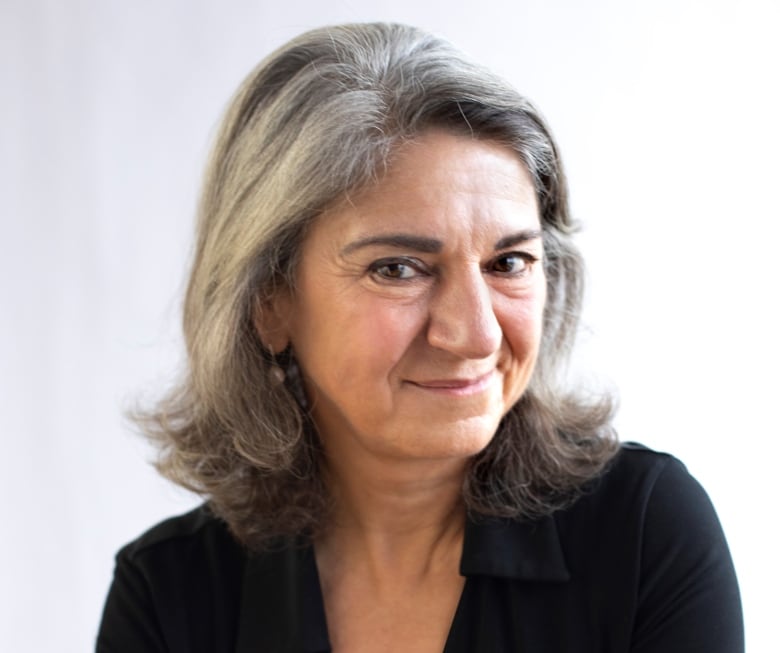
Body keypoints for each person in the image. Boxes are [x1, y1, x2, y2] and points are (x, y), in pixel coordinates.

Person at [96, 22, 743, 652]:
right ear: (269, 301)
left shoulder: (644, 537)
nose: (476, 331)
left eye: (508, 262)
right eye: (398, 269)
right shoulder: (168, 596)